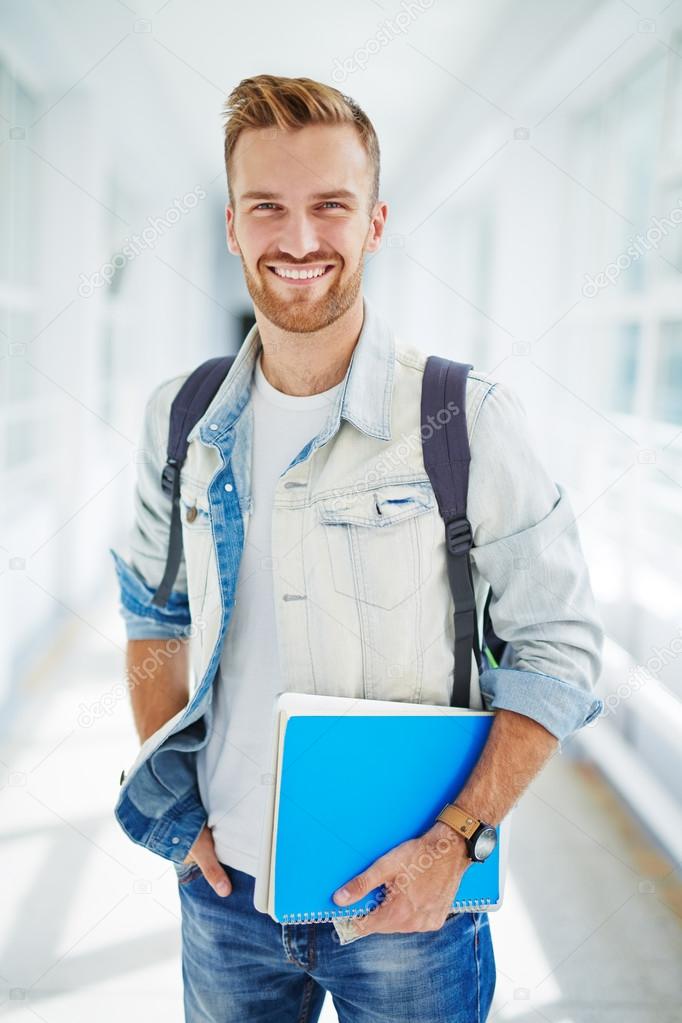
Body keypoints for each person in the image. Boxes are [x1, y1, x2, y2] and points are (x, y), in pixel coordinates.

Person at [111, 74, 604, 1023]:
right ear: (230, 226)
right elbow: (153, 612)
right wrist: (184, 825)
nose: (298, 240)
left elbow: (562, 647)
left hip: (411, 907)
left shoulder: (465, 417)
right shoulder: (179, 418)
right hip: (225, 897)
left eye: (330, 206)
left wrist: (456, 841)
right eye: (268, 208)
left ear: (375, 223)